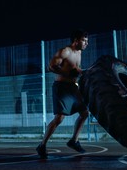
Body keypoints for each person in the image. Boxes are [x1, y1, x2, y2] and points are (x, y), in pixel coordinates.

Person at [36, 29, 89, 159]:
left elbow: (74, 69)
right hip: (61, 87)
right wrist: (68, 73)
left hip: (72, 87)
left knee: (84, 113)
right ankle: (42, 145)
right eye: (84, 40)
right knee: (59, 118)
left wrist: (82, 72)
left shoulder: (79, 52)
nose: (86, 43)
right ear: (76, 40)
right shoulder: (65, 51)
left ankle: (74, 141)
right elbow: (51, 66)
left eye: (87, 41)